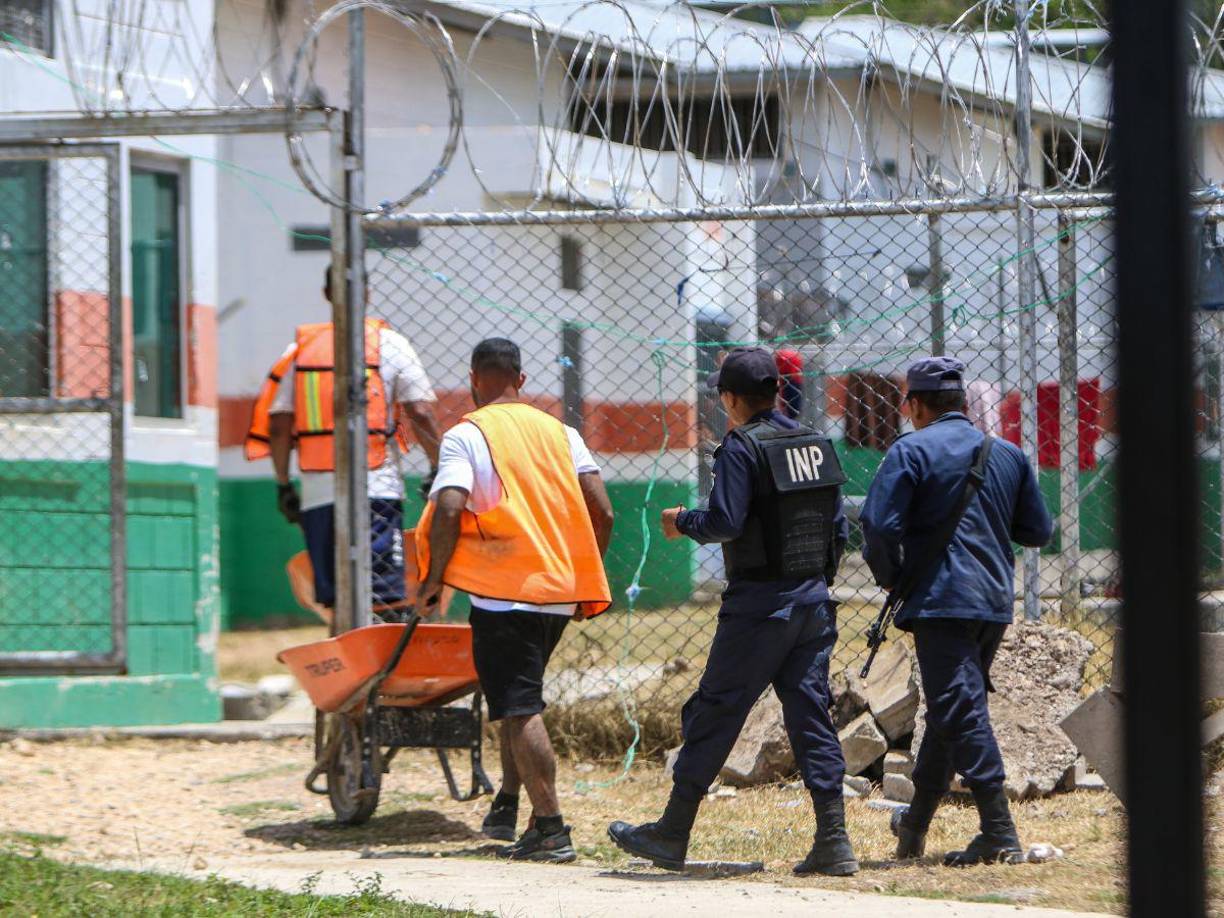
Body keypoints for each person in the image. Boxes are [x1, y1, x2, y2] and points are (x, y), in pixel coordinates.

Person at [607, 346, 857, 876]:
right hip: (813, 603)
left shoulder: (741, 447)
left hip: (759, 607)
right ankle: (834, 840)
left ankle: (672, 833)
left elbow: (725, 520)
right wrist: (814, 583)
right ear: (778, 391)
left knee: (715, 710)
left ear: (729, 398)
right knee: (811, 716)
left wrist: (683, 521)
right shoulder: (814, 442)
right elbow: (837, 528)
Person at [416, 338, 614, 864]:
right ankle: (510, 807)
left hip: (504, 598)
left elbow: (450, 507)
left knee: (520, 708)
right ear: (521, 380)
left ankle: (550, 827)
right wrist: (584, 576)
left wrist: (434, 579)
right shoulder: (562, 432)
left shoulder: (465, 435)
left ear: (475, 378)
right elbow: (604, 512)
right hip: (558, 592)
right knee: (515, 701)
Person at [860, 356, 1053, 867]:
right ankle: (915, 825)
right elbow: (1038, 531)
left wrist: (893, 577)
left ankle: (998, 830)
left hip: (940, 601)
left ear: (915, 405)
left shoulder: (910, 450)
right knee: (948, 712)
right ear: (962, 402)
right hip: (992, 602)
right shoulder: (1006, 453)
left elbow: (877, 527)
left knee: (961, 710)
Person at [245, 266, 441, 611]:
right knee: (384, 595)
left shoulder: (300, 350)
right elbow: (421, 413)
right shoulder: (390, 345)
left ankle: (348, 656)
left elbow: (278, 426)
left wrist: (282, 484)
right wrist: (437, 466)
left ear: (326, 294)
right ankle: (383, 656)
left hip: (319, 495)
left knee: (337, 599)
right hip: (376, 491)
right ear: (367, 294)